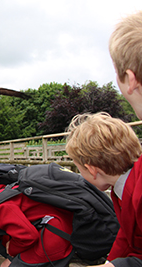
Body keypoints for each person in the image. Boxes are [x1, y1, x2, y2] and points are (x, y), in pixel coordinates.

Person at [66, 112, 142, 267]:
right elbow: (126, 235)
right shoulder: (125, 187)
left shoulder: (139, 195)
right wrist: (110, 262)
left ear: (92, 170)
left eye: (80, 170)